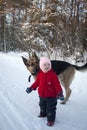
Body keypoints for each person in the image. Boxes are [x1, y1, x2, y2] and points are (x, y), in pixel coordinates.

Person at [26, 57, 64, 126]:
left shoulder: (53, 75)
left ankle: (51, 120)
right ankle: (43, 114)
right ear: (41, 66)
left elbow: (57, 85)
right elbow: (36, 83)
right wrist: (31, 88)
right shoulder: (40, 74)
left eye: (48, 65)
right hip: (41, 95)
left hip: (51, 97)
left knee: (51, 108)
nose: (47, 66)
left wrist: (59, 93)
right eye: (44, 65)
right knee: (42, 105)